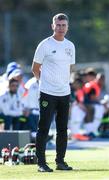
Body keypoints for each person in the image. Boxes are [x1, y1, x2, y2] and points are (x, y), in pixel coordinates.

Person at [32, 13, 75, 172]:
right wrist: (44, 83)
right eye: (58, 25)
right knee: (43, 128)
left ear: (67, 27)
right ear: (53, 26)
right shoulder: (45, 44)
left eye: (63, 25)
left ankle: (60, 162)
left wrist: (63, 83)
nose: (61, 28)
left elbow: (70, 67)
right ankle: (41, 164)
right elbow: (35, 69)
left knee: (62, 129)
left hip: (64, 93)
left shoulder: (70, 46)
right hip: (47, 93)